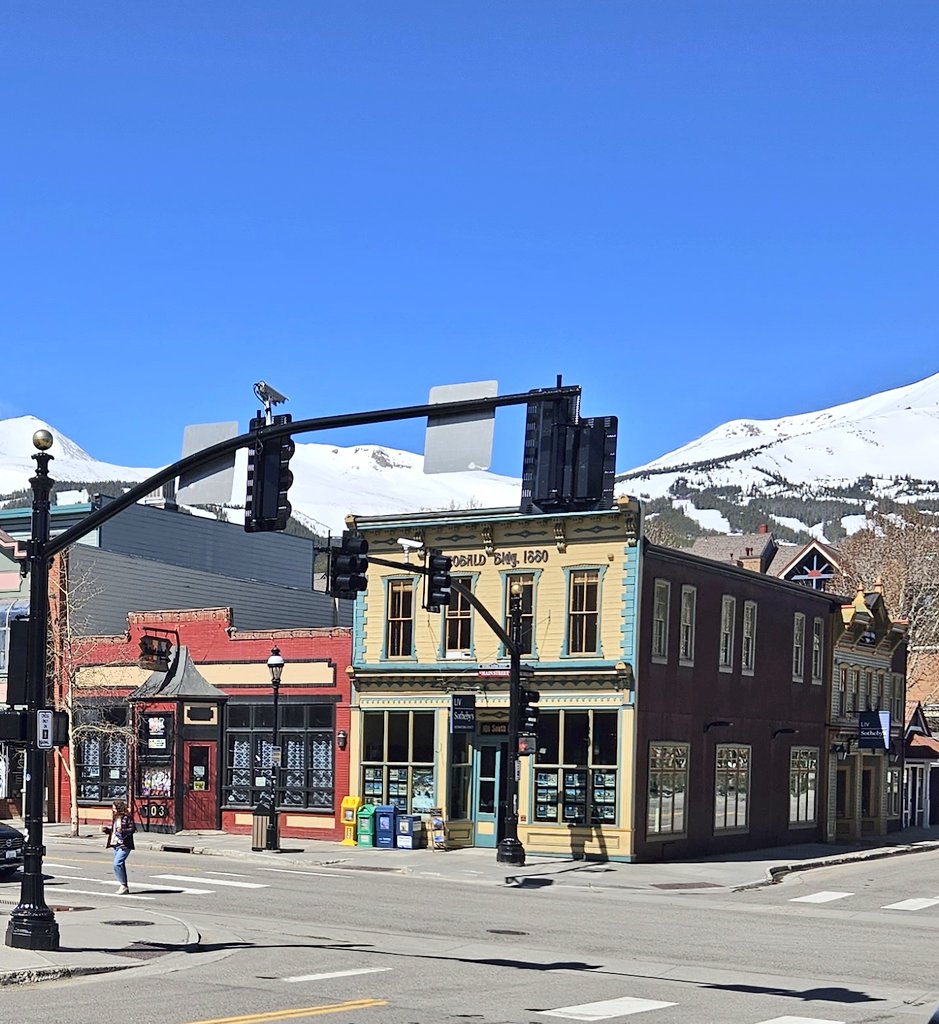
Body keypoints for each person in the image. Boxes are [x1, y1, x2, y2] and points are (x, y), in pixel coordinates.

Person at [106, 798, 136, 895]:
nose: (112, 810)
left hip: (125, 844)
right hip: (116, 843)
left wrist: (122, 831)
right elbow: (114, 831)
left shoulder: (127, 817)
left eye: (114, 808)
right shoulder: (115, 818)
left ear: (119, 808)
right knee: (121, 865)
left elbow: (132, 829)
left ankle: (123, 885)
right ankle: (124, 886)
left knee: (117, 863)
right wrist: (106, 830)